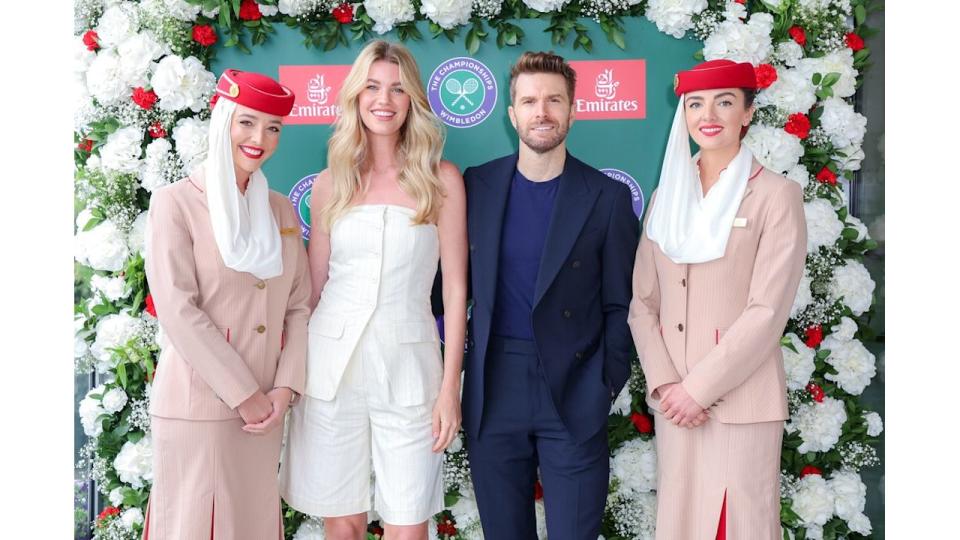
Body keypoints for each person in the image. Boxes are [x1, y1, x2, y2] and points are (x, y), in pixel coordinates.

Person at [278, 40, 467, 540]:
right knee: (342, 521)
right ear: (356, 97)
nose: (384, 100)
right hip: (330, 368)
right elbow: (312, 290)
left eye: (398, 89)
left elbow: (455, 289)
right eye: (373, 87)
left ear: (413, 102)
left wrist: (450, 389)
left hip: (411, 370)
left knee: (409, 521)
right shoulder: (329, 184)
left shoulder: (441, 180)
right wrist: (290, 374)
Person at [461, 51, 639, 540]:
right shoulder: (476, 185)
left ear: (573, 110)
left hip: (574, 389)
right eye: (530, 101)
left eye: (554, 100)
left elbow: (623, 303)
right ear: (511, 113)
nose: (542, 111)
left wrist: (604, 382)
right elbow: (444, 287)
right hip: (493, 390)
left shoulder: (606, 197)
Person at [628, 59, 807, 539]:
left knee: (738, 525)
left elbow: (767, 311)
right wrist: (667, 387)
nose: (709, 114)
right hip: (676, 406)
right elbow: (642, 304)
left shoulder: (775, 195)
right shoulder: (669, 194)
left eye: (725, 102)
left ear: (747, 113)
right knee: (682, 525)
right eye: (696, 103)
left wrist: (697, 391)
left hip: (739, 402)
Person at [143, 69, 310, 539]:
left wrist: (284, 389)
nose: (260, 138)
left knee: (252, 525)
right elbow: (179, 310)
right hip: (202, 407)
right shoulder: (176, 203)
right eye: (247, 123)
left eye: (273, 127)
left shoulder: (279, 209)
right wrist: (246, 395)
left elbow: (298, 306)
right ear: (223, 123)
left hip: (265, 414)